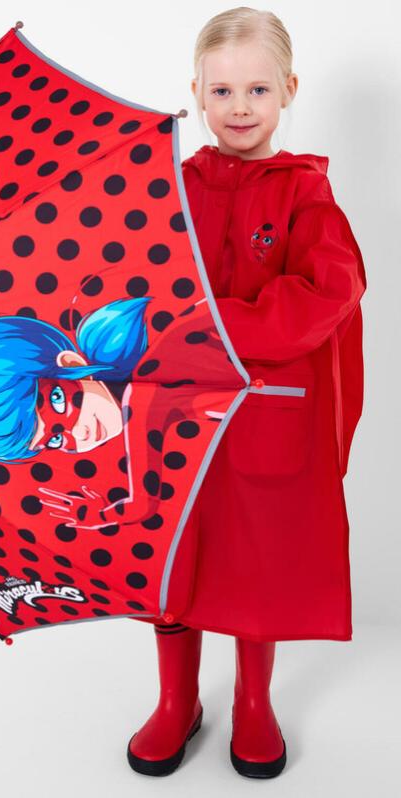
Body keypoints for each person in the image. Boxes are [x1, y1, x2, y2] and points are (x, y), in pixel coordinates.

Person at [127, 6, 367, 779]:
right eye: (222, 90)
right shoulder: (167, 189)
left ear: (288, 90)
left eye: (257, 90)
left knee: (252, 560)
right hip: (173, 415)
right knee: (171, 554)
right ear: (195, 92)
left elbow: (332, 290)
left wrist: (218, 322)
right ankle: (176, 700)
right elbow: (135, 286)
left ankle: (252, 701)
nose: (238, 107)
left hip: (263, 418)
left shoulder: (304, 194)